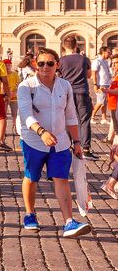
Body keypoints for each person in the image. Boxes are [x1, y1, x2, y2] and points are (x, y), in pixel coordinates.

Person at [16, 48, 91, 237]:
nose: (45, 67)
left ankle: (69, 222)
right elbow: (26, 113)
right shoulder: (27, 86)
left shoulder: (65, 86)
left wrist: (77, 141)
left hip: (60, 141)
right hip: (34, 139)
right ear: (35, 64)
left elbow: (71, 115)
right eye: (41, 63)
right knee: (31, 176)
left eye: (50, 63)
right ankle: (30, 214)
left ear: (57, 65)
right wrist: (41, 132)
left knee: (61, 178)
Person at [58, 35, 96, 160]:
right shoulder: (84, 59)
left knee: (68, 119)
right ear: (76, 46)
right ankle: (85, 148)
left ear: (64, 46)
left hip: (67, 92)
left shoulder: (61, 60)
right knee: (84, 120)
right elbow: (89, 75)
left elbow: (59, 75)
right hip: (82, 91)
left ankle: (68, 145)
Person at [91, 45, 112, 126]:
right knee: (100, 101)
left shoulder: (105, 61)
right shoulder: (97, 61)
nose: (109, 54)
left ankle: (103, 118)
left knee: (104, 102)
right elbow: (94, 72)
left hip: (106, 83)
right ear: (103, 52)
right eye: (108, 52)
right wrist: (95, 84)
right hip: (100, 84)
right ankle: (92, 117)